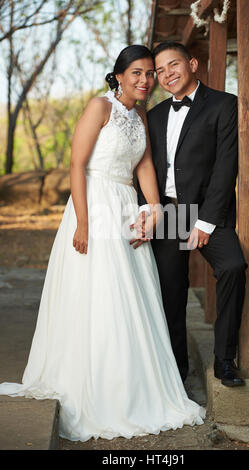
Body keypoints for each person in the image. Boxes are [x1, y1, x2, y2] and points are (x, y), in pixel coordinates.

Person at [0, 45, 205, 442]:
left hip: (127, 206)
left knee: (132, 296)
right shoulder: (99, 107)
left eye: (150, 73)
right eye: (137, 73)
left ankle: (132, 384)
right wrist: (83, 221)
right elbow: (77, 164)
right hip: (94, 202)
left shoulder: (140, 113)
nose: (146, 80)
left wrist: (155, 208)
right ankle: (94, 384)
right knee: (100, 294)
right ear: (119, 75)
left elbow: (144, 164)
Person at [137, 42, 248, 388]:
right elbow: (146, 169)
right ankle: (176, 373)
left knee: (233, 267)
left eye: (174, 65)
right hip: (168, 212)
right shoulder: (153, 115)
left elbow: (225, 167)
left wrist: (204, 222)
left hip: (206, 212)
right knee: (171, 291)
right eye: (160, 70)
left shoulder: (223, 104)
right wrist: (148, 209)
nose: (167, 74)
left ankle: (224, 360)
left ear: (193, 64)